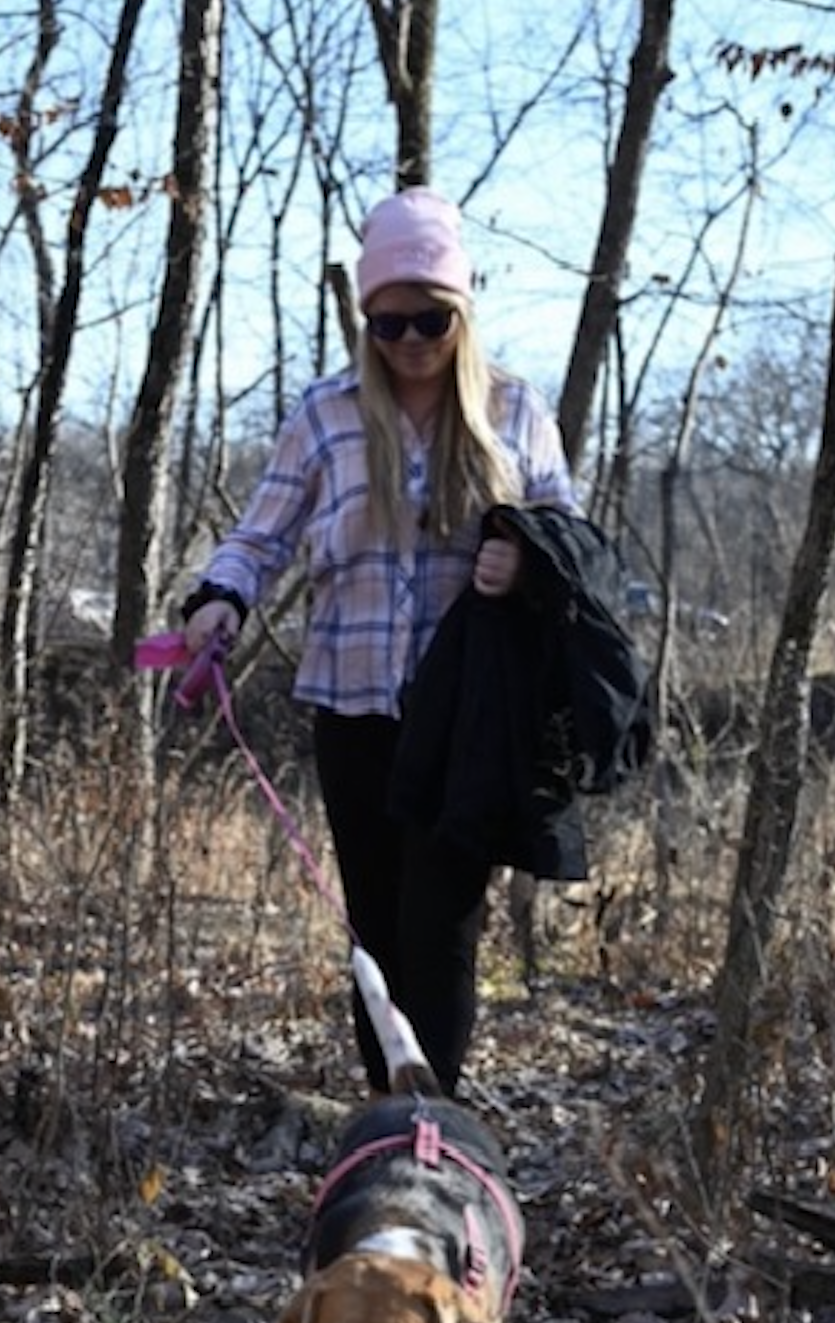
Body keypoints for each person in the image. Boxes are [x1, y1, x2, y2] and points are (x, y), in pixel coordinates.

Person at [183, 186, 581, 1094]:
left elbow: (572, 541)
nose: (409, 341)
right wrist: (220, 599)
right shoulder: (325, 415)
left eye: (429, 319)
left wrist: (523, 565)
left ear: (462, 313)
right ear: (366, 320)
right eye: (388, 322)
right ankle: (390, 1115)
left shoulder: (516, 411)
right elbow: (263, 536)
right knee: (374, 924)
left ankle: (430, 1130)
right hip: (351, 705)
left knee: (442, 920)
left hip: (469, 717)